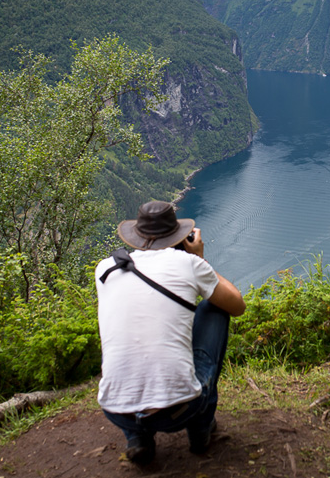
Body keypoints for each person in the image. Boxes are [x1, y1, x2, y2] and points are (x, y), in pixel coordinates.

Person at [95, 200, 245, 466]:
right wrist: (199, 258)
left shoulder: (106, 269)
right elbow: (237, 305)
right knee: (216, 309)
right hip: (180, 410)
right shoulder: (188, 264)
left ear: (137, 237)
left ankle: (137, 438)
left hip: (117, 409)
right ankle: (201, 430)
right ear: (179, 235)